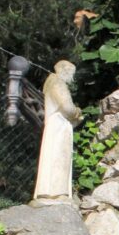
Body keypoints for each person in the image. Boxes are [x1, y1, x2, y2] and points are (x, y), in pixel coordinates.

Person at [34, 61, 83, 200]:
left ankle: (48, 191)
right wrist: (77, 112)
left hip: (55, 124)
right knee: (59, 157)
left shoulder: (51, 82)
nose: (72, 78)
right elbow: (67, 108)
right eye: (71, 73)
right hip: (60, 125)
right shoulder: (58, 83)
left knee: (51, 156)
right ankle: (58, 192)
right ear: (64, 71)